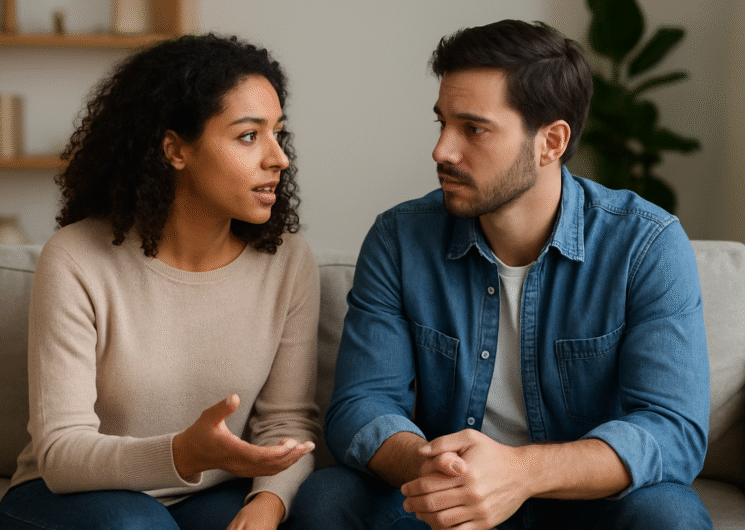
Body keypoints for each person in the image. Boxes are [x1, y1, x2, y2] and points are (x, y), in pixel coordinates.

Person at [291, 19, 712, 530]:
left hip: (584, 502)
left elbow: (672, 430)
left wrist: (520, 472)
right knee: (329, 498)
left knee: (669, 515)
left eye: (473, 128)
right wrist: (443, 469)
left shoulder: (646, 244)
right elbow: (361, 403)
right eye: (441, 122)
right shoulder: (399, 239)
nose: (442, 150)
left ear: (550, 142)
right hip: (448, 495)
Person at [0, 34, 320, 530]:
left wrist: (266, 505)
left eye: (279, 133)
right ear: (175, 150)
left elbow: (286, 424)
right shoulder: (76, 259)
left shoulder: (287, 261)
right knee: (138, 524)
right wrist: (183, 453)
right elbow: (61, 453)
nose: (279, 158)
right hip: (69, 497)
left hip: (206, 496)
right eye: (249, 136)